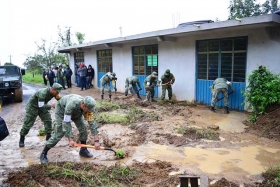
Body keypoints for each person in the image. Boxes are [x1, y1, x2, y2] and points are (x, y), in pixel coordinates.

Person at [39, 94, 100, 163]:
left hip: (77, 113)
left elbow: (92, 123)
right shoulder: (72, 104)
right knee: (59, 133)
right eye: (88, 109)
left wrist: (96, 141)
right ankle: (43, 153)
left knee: (83, 129)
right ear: (83, 105)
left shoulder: (87, 108)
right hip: (61, 111)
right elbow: (66, 122)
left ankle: (83, 149)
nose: (89, 111)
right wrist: (70, 139)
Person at [19, 83, 63, 147]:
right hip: (33, 107)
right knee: (28, 124)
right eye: (57, 92)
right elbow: (41, 106)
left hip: (42, 107)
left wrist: (61, 102)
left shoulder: (54, 93)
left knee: (48, 120)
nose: (58, 93)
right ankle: (21, 139)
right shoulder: (43, 93)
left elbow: (60, 100)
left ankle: (48, 137)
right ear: (53, 89)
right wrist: (51, 106)